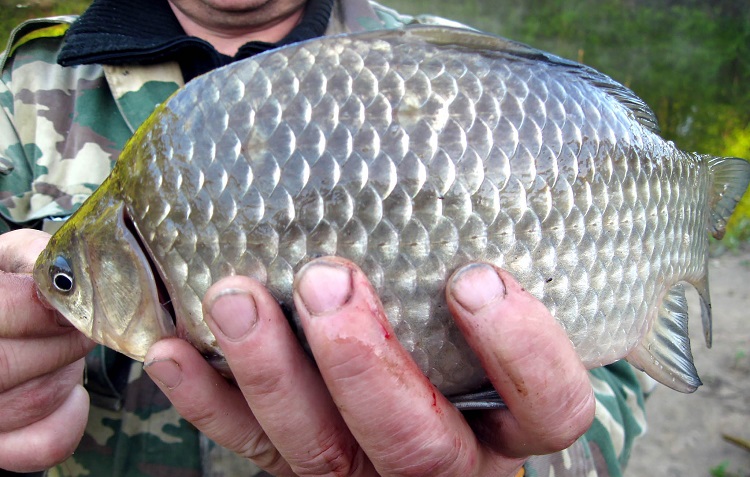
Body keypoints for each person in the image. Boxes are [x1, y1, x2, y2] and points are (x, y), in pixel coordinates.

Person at [0, 0, 647, 475]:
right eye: (66, 281)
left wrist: (518, 463)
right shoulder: (21, 88)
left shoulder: (458, 70)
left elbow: (613, 378)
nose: (62, 293)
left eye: (69, 282)